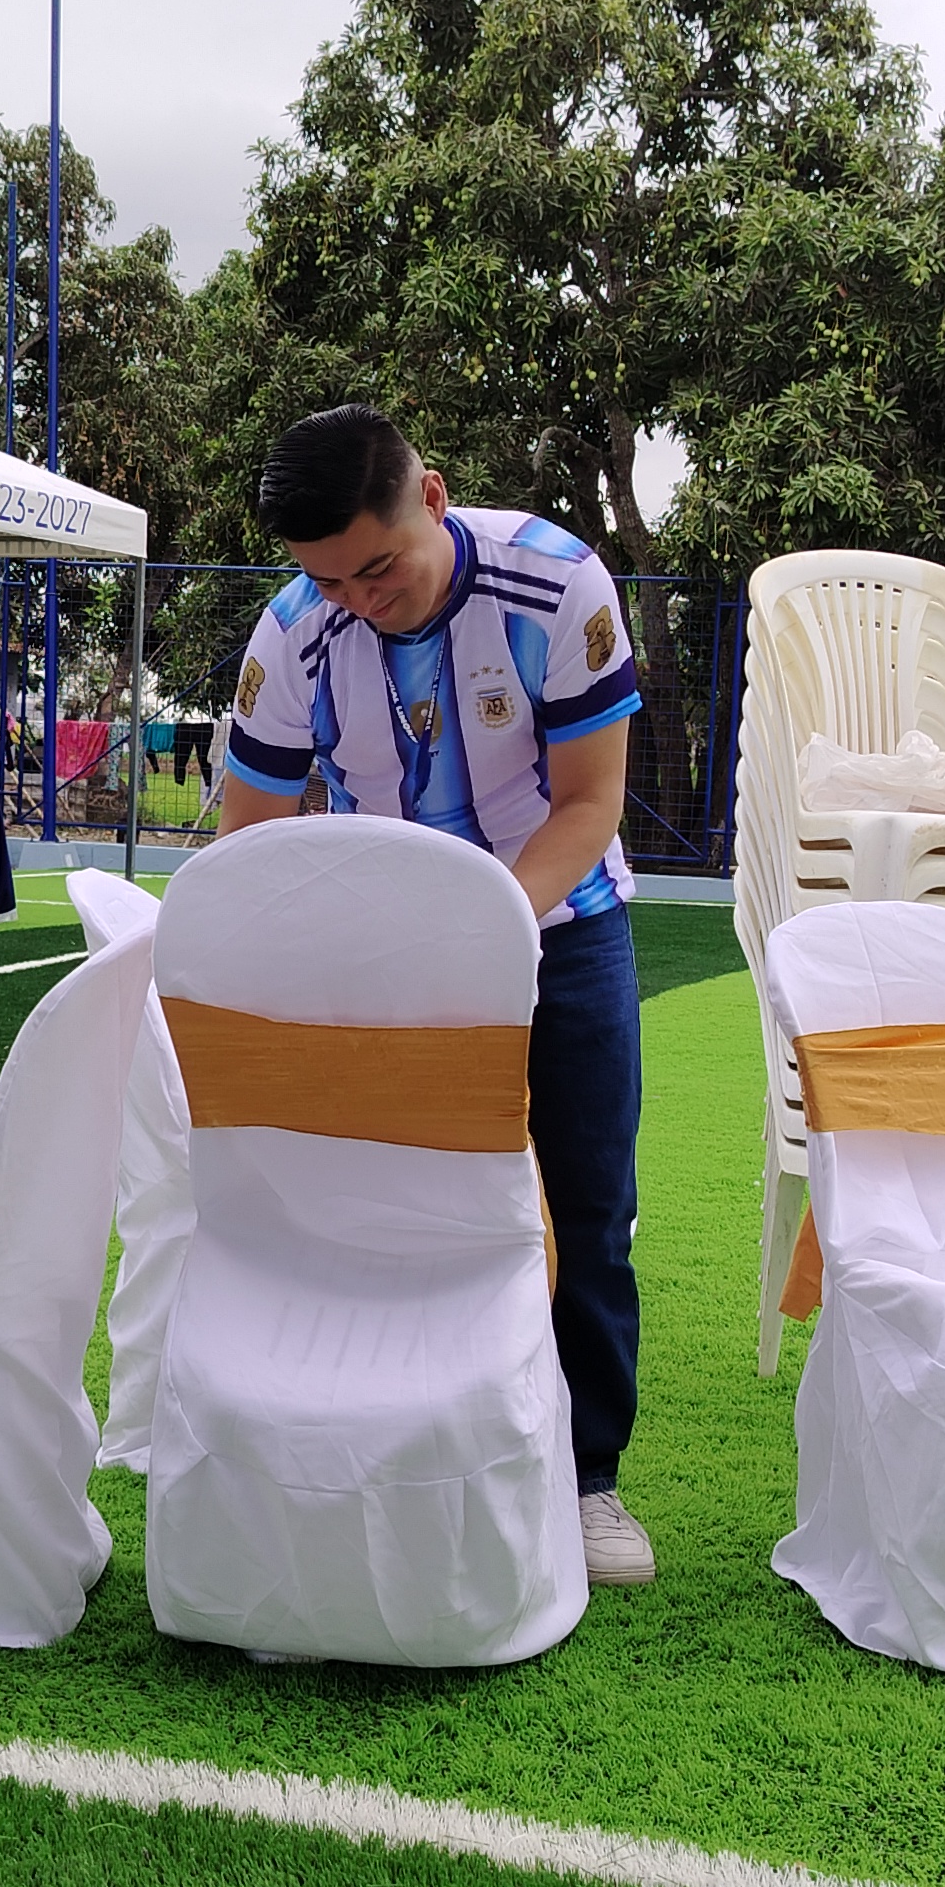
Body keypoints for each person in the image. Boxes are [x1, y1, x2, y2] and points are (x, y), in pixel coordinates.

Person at [212, 403, 658, 1588]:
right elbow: (248, 837)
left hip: (562, 930)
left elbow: (588, 804)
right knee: (386, 1208)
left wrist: (481, 932)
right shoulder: (294, 633)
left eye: (378, 568)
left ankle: (587, 1480)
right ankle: (404, 1453)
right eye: (329, 580)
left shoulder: (557, 584)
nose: (359, 600)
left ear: (435, 497)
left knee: (586, 1207)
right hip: (384, 957)